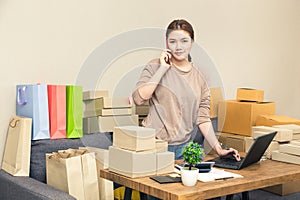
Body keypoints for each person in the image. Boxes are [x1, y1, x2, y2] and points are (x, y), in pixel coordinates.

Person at [132, 19, 240, 161]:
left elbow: (203, 118)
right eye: (173, 41)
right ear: (166, 43)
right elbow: (139, 99)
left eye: (184, 41)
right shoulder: (154, 66)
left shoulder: (200, 76)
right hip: (155, 146)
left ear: (192, 43)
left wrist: (219, 149)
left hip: (185, 148)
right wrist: (163, 69)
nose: (178, 47)